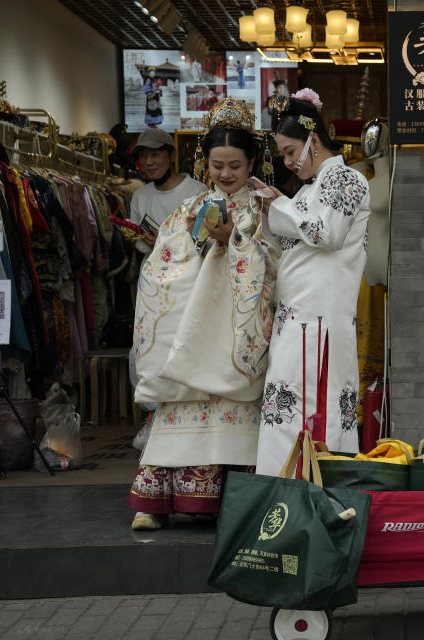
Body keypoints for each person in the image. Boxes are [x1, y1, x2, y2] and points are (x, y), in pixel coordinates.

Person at [127, 98, 280, 529]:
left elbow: (277, 265)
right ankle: (158, 499)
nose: (226, 174)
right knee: (183, 399)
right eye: (217, 166)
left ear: (251, 161)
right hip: (194, 325)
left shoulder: (267, 208)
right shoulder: (188, 210)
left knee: (238, 399)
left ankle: (243, 499)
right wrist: (202, 249)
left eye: (235, 165)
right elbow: (162, 267)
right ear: (204, 163)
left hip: (236, 331)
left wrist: (238, 244)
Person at [251, 89, 370, 475]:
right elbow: (292, 242)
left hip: (319, 318)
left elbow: (327, 233)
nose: (287, 162)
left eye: (289, 152)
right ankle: (287, 490)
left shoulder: (348, 181)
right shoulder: (307, 190)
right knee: (288, 406)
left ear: (312, 141)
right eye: (283, 155)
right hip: (300, 315)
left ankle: (314, 491)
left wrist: (279, 206)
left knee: (319, 406)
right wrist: (272, 207)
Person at [129, 128, 207, 256]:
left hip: (188, 274)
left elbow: (204, 244)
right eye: (143, 155)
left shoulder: (197, 192)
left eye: (155, 154)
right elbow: (137, 242)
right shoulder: (139, 196)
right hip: (151, 274)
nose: (148, 162)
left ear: (172, 155)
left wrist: (164, 244)